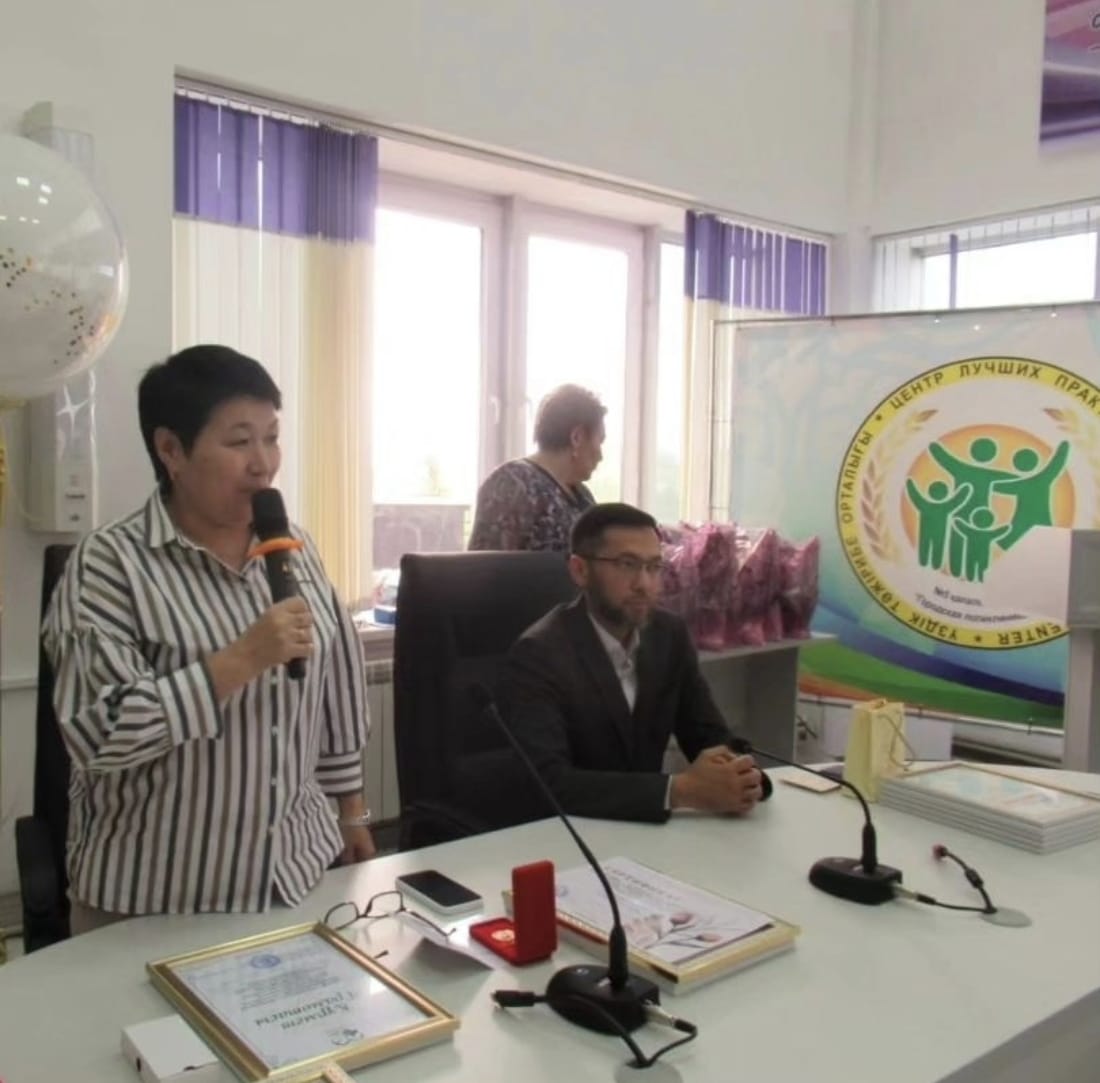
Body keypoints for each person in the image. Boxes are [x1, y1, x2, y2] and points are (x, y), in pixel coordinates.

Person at [44, 345, 374, 933]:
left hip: (295, 877)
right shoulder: (108, 565)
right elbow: (100, 732)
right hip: (154, 901)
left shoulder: (291, 546)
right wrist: (241, 659)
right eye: (239, 441)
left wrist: (352, 811)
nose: (263, 465)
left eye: (272, 438)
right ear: (171, 450)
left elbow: (338, 681)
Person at [500, 502, 771, 823]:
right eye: (627, 564)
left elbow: (707, 735)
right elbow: (548, 784)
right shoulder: (539, 654)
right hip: (572, 834)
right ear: (580, 570)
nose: (644, 584)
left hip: (648, 837)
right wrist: (678, 791)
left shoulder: (668, 635)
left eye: (654, 566)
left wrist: (742, 777)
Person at [468, 384, 605, 552]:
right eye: (600, 441)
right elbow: (486, 564)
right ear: (577, 437)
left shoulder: (583, 496)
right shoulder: (513, 484)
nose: (600, 456)